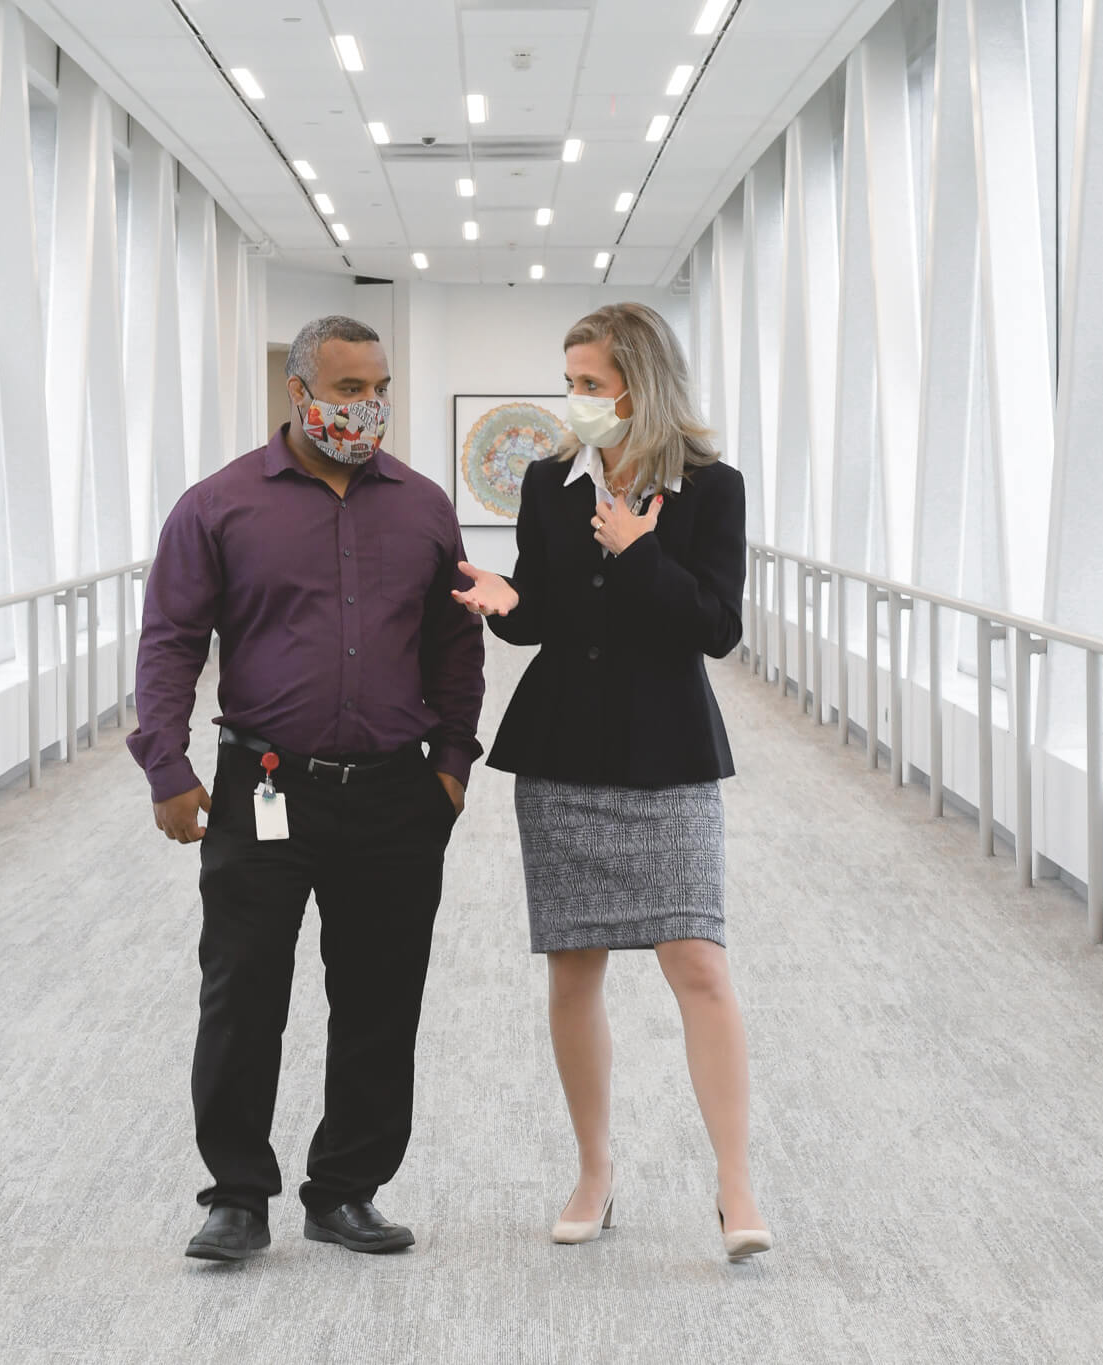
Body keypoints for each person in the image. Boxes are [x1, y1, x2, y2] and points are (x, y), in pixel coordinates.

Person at [130, 315, 484, 1262]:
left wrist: (452, 767)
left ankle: (346, 1189)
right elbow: (170, 640)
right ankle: (237, 1195)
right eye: (346, 390)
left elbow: (456, 644)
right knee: (244, 991)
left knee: (378, 996)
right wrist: (166, 763)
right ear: (299, 394)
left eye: (379, 389)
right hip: (264, 785)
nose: (366, 408)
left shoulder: (421, 506)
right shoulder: (220, 505)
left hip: (394, 795)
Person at [452, 302, 771, 1260]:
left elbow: (715, 626)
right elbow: (543, 608)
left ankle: (736, 1184)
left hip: (666, 752)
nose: (576, 400)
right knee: (574, 967)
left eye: (591, 383)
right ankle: (595, 1168)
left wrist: (639, 552)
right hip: (563, 754)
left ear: (641, 382)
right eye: (572, 382)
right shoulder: (551, 484)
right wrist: (505, 606)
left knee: (700, 966)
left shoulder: (711, 489)